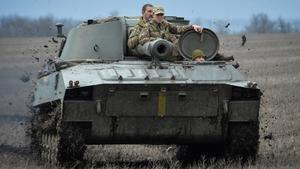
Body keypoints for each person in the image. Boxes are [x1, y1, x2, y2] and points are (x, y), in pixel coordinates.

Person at [138, 6, 203, 61]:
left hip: (173, 52)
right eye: (158, 15)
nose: (160, 17)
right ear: (153, 15)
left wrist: (192, 26)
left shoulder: (166, 24)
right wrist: (157, 40)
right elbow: (142, 40)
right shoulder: (147, 26)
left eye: (161, 15)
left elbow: (178, 29)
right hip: (158, 53)